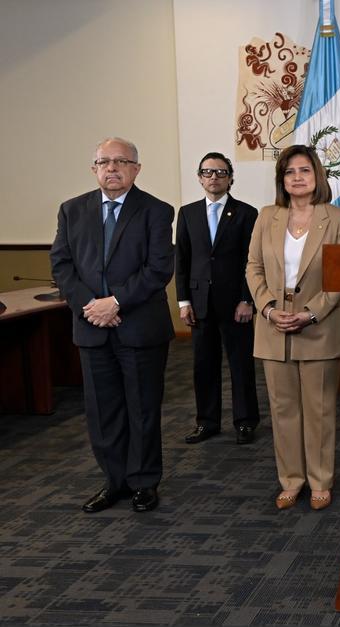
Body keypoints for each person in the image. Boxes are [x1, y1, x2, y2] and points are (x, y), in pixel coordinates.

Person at [50, 137, 174, 513]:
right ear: (94, 169)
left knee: (142, 409)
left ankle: (143, 482)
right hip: (91, 327)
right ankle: (114, 481)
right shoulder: (72, 210)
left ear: (136, 169)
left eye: (121, 161)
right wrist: (91, 305)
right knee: (102, 412)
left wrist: (115, 302)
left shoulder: (156, 210)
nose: (112, 168)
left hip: (139, 327)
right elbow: (62, 265)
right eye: (104, 162)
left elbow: (158, 269)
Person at [246, 144, 340, 511]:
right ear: (282, 179)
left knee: (319, 409)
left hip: (319, 327)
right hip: (274, 327)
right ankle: (291, 480)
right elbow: (253, 268)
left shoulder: (337, 217)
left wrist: (311, 312)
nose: (297, 177)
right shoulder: (267, 217)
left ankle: (321, 481)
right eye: (289, 172)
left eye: (304, 170)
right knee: (283, 410)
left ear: (317, 175)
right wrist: (267, 307)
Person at [175, 152, 261, 445]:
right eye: (208, 172)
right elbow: (182, 260)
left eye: (221, 172)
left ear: (230, 178)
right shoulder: (187, 213)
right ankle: (207, 422)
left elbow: (253, 261)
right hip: (200, 304)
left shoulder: (247, 213)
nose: (214, 177)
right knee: (203, 365)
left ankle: (245, 421)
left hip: (236, 303)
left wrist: (247, 299)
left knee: (241, 365)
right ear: (199, 177)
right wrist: (183, 301)